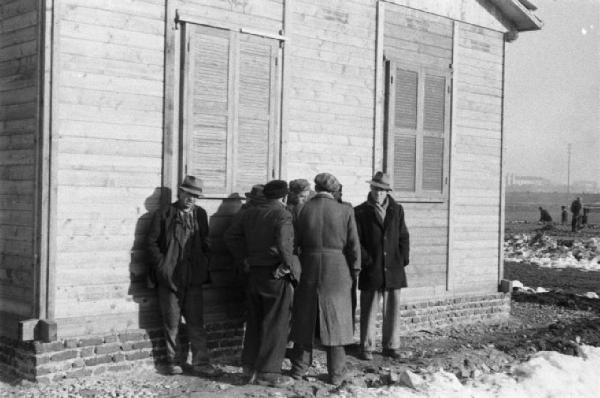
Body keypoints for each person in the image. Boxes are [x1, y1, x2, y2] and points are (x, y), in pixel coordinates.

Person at [290, 173, 361, 385]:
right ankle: (336, 374)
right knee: (336, 322)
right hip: (337, 270)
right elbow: (353, 244)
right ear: (333, 190)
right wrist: (355, 269)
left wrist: (297, 268)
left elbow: (294, 243)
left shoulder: (302, 209)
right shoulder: (345, 209)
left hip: (308, 267)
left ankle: (298, 370)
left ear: (316, 187)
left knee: (305, 319)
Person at [146, 176, 221, 376]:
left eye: (195, 196)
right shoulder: (164, 214)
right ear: (180, 192)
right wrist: (163, 267)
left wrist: (203, 262)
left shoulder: (200, 215)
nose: (191, 199)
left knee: (196, 321)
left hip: (193, 276)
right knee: (171, 322)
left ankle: (201, 363)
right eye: (188, 194)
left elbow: (205, 241)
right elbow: (151, 243)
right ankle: (173, 361)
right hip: (170, 276)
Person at [224, 180, 295, 388]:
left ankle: (249, 369)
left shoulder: (249, 212)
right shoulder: (282, 214)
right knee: (276, 323)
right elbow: (284, 244)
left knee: (254, 322)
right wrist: (287, 265)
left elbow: (230, 236)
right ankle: (268, 374)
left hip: (253, 274)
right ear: (284, 197)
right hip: (274, 275)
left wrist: (244, 259)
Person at [354, 171, 410, 360]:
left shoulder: (397, 210)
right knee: (369, 309)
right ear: (371, 188)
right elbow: (356, 241)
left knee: (392, 310)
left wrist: (401, 259)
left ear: (387, 191)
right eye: (375, 188)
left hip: (393, 268)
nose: (378, 193)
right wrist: (367, 260)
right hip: (372, 268)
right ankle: (366, 347)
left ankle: (391, 346)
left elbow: (403, 236)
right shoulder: (360, 212)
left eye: (382, 190)